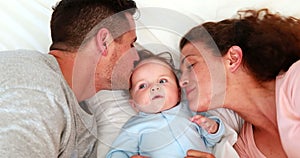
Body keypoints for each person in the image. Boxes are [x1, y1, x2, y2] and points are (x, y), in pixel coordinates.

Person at [0, 0, 138, 157]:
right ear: (104, 42)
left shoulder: (83, 121)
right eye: (132, 44)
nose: (137, 56)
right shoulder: (38, 90)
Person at [178, 8, 300, 158]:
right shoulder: (244, 148)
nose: (181, 81)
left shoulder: (295, 81)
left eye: (191, 65)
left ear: (233, 59)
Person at [106, 50, 225, 158]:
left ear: (179, 92)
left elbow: (212, 139)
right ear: (134, 105)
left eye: (162, 81)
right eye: (142, 86)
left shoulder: (191, 110)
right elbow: (118, 152)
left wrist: (212, 127)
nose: (155, 88)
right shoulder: (134, 126)